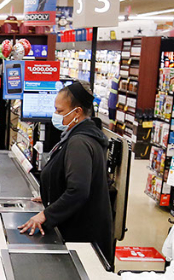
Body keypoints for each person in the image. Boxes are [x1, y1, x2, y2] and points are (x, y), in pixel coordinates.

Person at [19, 81, 114, 261]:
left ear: (77, 112)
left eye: (60, 111)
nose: (56, 115)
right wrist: (52, 192)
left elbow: (78, 190)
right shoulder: (81, 135)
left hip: (82, 238)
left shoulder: (79, 142)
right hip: (82, 229)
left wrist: (45, 215)